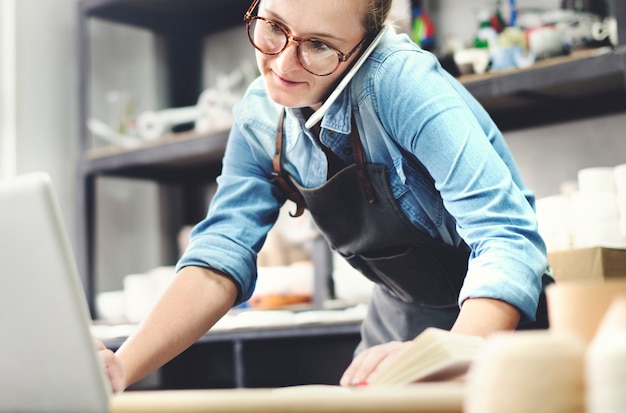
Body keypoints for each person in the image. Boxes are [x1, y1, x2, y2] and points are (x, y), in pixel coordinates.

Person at [98, 0, 553, 393]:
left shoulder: (401, 84)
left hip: (498, 327)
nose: (283, 64)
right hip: (398, 321)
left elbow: (507, 237)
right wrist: (122, 366)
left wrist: (450, 354)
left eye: (318, 46)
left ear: (364, 45)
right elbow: (219, 257)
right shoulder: (261, 116)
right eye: (273, 26)